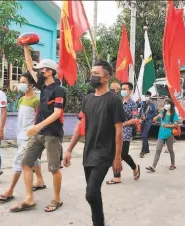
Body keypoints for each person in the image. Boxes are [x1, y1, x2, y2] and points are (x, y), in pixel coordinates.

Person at [63, 60, 125, 226]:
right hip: (88, 151)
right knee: (93, 192)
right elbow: (80, 125)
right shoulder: (87, 99)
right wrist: (69, 149)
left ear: (106, 77)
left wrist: (117, 157)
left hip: (105, 152)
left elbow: (119, 130)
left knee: (91, 193)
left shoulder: (114, 100)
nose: (92, 77)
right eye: (91, 74)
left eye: (96, 74)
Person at [10, 46, 66, 213]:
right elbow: (29, 66)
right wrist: (26, 48)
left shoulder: (59, 90)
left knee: (54, 169)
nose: (39, 72)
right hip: (38, 133)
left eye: (42, 69)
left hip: (52, 135)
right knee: (26, 163)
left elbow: (57, 113)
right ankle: (29, 198)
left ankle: (57, 199)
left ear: (49, 71)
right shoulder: (43, 86)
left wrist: (37, 126)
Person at [0, 72, 46, 202]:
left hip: (29, 137)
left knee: (19, 161)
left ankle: (10, 190)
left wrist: (35, 133)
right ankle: (40, 180)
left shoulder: (36, 100)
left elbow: (38, 119)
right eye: (20, 81)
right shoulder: (22, 99)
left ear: (30, 85)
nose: (21, 84)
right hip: (20, 135)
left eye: (23, 82)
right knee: (33, 160)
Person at [106, 82, 140, 184]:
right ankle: (117, 177)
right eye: (122, 89)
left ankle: (134, 168)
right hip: (115, 131)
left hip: (126, 132)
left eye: (125, 89)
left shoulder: (132, 104)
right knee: (115, 154)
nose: (123, 91)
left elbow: (135, 119)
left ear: (130, 91)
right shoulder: (117, 101)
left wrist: (123, 124)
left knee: (123, 153)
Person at [146, 98, 179, 172]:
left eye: (168, 104)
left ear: (171, 105)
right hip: (161, 134)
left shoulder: (173, 114)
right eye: (165, 103)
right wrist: (158, 116)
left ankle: (173, 164)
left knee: (170, 150)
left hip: (169, 134)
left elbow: (176, 125)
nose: (166, 105)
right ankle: (153, 166)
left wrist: (167, 126)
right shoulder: (162, 112)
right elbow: (154, 119)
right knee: (158, 150)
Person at [137, 91, 157, 158]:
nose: (146, 97)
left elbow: (154, 113)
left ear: (150, 97)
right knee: (144, 136)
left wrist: (147, 116)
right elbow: (136, 106)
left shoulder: (152, 105)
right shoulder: (142, 103)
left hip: (148, 121)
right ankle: (147, 149)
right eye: (145, 96)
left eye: (148, 96)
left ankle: (142, 151)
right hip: (142, 121)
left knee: (144, 135)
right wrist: (137, 101)